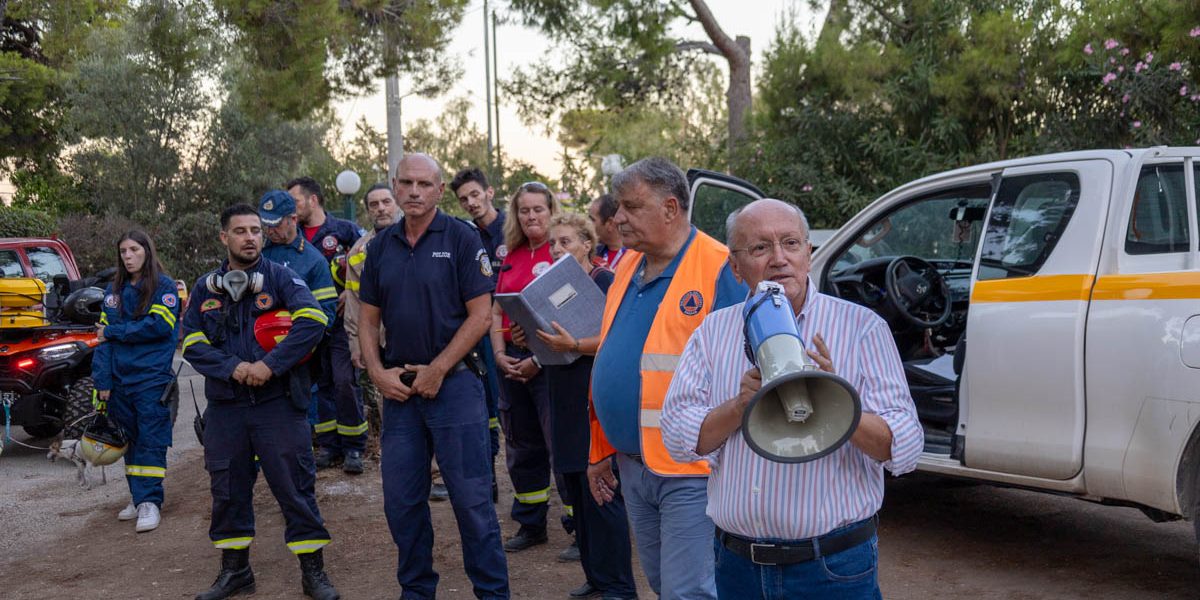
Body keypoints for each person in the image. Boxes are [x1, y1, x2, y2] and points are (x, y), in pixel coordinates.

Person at [661, 199, 923, 599]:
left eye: (791, 243)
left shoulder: (861, 327)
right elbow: (677, 438)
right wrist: (738, 407)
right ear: (735, 267)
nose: (779, 258)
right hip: (738, 566)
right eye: (760, 247)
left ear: (808, 254)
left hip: (832, 567)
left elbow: (905, 447)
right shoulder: (712, 332)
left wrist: (838, 400)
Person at [588, 157, 747, 600]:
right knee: (663, 583)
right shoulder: (627, 265)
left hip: (691, 469)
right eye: (618, 207)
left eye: (631, 207)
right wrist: (600, 449)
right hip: (634, 464)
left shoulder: (719, 267)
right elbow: (609, 358)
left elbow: (742, 371)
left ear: (671, 208)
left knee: (687, 591)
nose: (618, 218)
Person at [358, 153, 509, 599]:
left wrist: (439, 369)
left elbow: (481, 316)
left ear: (440, 191)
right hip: (401, 392)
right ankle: (417, 591)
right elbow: (367, 320)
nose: (414, 192)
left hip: (455, 386)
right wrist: (377, 373)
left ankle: (493, 593)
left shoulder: (462, 238)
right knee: (401, 504)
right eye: (406, 183)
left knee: (472, 503)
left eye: (424, 184)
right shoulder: (380, 247)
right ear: (394, 185)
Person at [183, 204, 339, 600]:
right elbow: (191, 342)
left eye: (255, 230)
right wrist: (233, 368)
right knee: (227, 490)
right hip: (226, 406)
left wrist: (271, 365)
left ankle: (313, 572)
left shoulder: (281, 277)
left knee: (295, 487)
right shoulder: (205, 288)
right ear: (224, 237)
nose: (250, 237)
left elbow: (314, 321)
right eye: (241, 231)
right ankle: (236, 572)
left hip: (278, 402)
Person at [522, 212, 637, 599]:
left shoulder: (606, 280)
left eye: (566, 241)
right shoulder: (547, 286)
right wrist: (527, 335)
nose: (556, 249)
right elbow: (549, 338)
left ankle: (619, 586)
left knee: (601, 492)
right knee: (576, 491)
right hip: (562, 394)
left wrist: (573, 345)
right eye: (553, 243)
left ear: (588, 244)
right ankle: (596, 576)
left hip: (594, 395)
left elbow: (618, 336)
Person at [489, 181, 568, 554]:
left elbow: (571, 314)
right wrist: (498, 353)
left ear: (551, 211)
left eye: (538, 209)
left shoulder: (560, 252)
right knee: (521, 445)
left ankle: (577, 526)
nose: (531, 216)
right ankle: (531, 523)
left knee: (560, 444)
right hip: (511, 361)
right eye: (524, 210)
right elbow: (496, 310)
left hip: (551, 364)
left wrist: (537, 359)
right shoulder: (511, 255)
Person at [92, 230, 180, 534]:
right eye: (123, 252)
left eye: (134, 250)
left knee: (151, 440)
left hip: (150, 379)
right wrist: (102, 380)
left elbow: (158, 326)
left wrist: (115, 332)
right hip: (119, 381)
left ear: (147, 251)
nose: (128, 256)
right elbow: (101, 339)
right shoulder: (113, 291)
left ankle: (150, 502)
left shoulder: (164, 287)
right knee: (126, 441)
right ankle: (138, 496)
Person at [286, 176, 366, 472]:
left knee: (344, 381)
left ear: (313, 200)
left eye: (295, 202)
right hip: (307, 324)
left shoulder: (345, 231)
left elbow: (370, 263)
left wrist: (351, 291)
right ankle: (329, 446)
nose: (291, 209)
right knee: (320, 385)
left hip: (342, 323)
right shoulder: (291, 237)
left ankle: (354, 447)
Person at [451, 167, 505, 504]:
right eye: (463, 199)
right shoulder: (464, 235)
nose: (471, 202)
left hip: (512, 333)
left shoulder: (512, 229)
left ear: (489, 192)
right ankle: (489, 478)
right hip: (479, 334)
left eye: (475, 194)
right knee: (484, 410)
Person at [344, 183, 399, 372]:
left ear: (397, 204)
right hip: (382, 341)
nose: (381, 208)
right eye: (374, 205)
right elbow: (354, 301)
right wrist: (355, 342)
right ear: (368, 212)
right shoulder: (358, 252)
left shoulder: (417, 238)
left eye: (386, 202)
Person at [588, 193, 626, 270]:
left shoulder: (639, 258)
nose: (587, 225)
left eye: (592, 220)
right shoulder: (591, 254)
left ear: (610, 223)